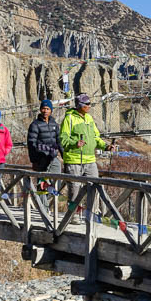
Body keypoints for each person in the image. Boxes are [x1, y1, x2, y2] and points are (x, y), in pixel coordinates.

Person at [59, 93, 115, 223]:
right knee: (75, 189)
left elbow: (96, 138)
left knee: (94, 186)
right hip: (74, 160)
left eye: (89, 104)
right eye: (87, 104)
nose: (89, 106)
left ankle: (92, 214)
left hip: (90, 160)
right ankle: (73, 216)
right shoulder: (69, 119)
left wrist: (106, 146)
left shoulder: (89, 119)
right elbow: (63, 139)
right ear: (80, 105)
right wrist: (75, 143)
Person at [27, 99, 61, 207]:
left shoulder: (54, 124)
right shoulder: (35, 125)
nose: (45, 111)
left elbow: (59, 141)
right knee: (42, 184)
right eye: (43, 108)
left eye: (47, 109)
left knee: (57, 182)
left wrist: (64, 155)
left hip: (53, 157)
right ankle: (44, 209)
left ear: (51, 110)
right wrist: (34, 161)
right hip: (41, 158)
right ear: (40, 110)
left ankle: (42, 200)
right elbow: (31, 143)